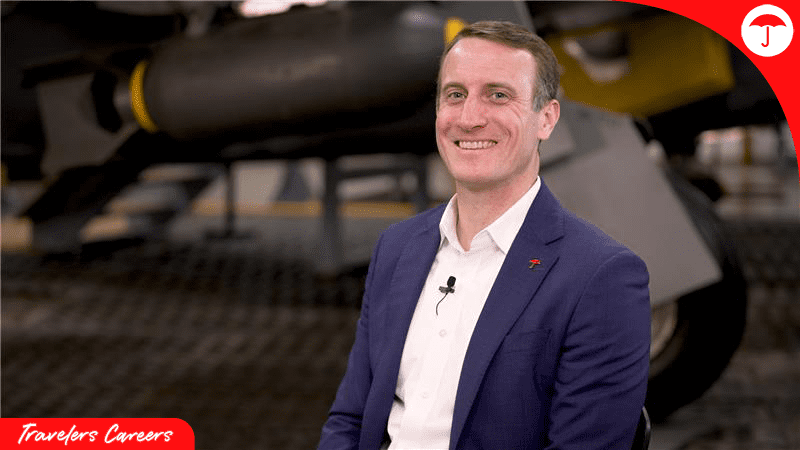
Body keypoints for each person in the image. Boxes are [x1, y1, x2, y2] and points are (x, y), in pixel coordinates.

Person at [318, 20, 650, 450]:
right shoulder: (396, 248)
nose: (470, 119)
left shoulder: (601, 278)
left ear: (546, 119)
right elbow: (350, 418)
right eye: (455, 95)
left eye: (498, 95)